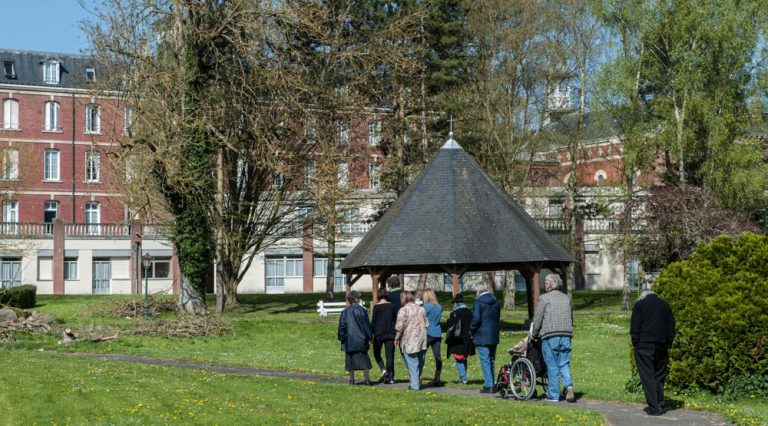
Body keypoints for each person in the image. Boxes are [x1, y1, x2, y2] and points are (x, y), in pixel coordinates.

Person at [630, 290, 676, 416]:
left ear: (643, 296)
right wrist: (668, 343)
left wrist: (636, 343)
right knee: (659, 375)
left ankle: (654, 408)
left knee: (647, 376)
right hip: (661, 345)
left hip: (644, 345)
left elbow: (634, 328)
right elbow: (671, 326)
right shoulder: (665, 305)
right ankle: (660, 403)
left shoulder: (640, 305)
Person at [531, 274, 575, 403]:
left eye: (545, 283)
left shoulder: (544, 299)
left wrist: (534, 334)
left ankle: (554, 395)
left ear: (549, 285)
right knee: (564, 363)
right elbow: (571, 317)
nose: (545, 285)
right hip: (566, 334)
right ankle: (569, 386)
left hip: (550, 335)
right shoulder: (566, 298)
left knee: (552, 366)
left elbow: (538, 319)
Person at [470, 281, 501, 393]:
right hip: (493, 333)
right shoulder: (495, 301)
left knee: (485, 360)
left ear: (478, 290)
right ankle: (492, 383)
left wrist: (471, 329)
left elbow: (476, 319)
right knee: (491, 360)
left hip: (482, 335)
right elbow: (497, 317)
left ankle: (489, 385)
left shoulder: (478, 302)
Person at [337, 290, 374, 385]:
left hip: (349, 340)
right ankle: (367, 379)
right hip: (361, 340)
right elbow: (366, 325)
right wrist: (370, 337)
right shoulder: (362, 311)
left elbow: (342, 326)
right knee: (364, 360)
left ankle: (351, 380)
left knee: (350, 361)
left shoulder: (345, 312)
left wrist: (341, 337)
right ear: (356, 299)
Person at [395, 291, 427, 390]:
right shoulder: (421, 309)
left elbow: (400, 326)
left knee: (412, 362)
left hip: (410, 340)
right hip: (422, 339)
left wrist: (396, 337)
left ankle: (415, 385)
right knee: (419, 362)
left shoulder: (403, 310)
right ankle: (416, 382)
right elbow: (426, 322)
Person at [445, 293, 474, 384]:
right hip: (468, 338)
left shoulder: (455, 312)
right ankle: (463, 377)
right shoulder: (469, 312)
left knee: (458, 357)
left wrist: (448, 320)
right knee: (464, 357)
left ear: (456, 302)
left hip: (457, 338)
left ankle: (463, 377)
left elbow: (450, 324)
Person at [371, 287, 396, 384]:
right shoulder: (392, 306)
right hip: (390, 333)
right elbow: (395, 320)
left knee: (376, 353)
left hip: (378, 334)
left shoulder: (376, 307)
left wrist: (371, 335)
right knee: (389, 356)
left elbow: (373, 322)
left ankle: (383, 369)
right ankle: (388, 376)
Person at [422, 289, 443, 385]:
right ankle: (437, 377)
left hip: (428, 332)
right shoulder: (439, 307)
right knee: (437, 356)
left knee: (421, 355)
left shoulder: (425, 307)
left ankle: (419, 376)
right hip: (438, 333)